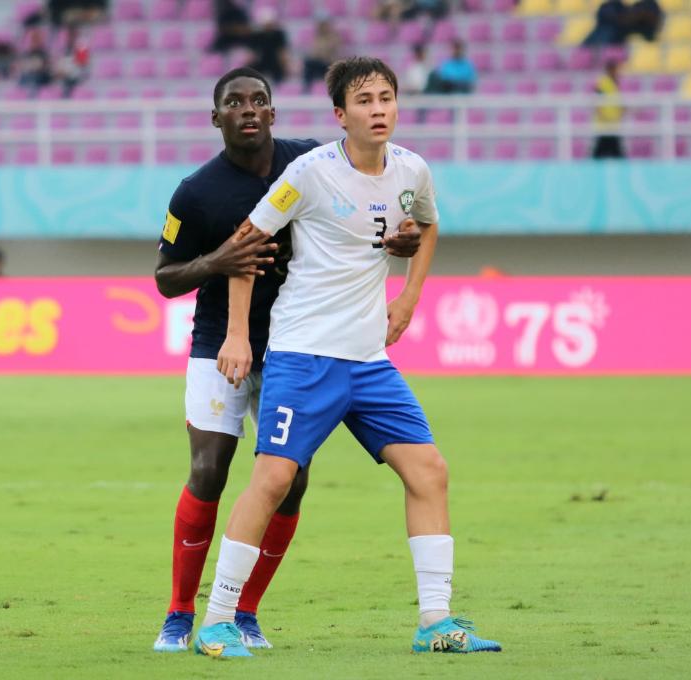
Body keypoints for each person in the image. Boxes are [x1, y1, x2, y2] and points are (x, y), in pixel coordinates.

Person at [194, 57, 500, 658]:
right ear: (341, 115)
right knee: (275, 478)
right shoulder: (308, 174)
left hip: (367, 361)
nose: (379, 108)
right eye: (365, 101)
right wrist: (236, 335)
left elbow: (428, 225)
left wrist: (409, 294)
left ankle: (435, 621)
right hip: (304, 355)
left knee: (429, 470)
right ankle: (218, 621)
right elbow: (245, 244)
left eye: (386, 97)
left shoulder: (412, 168)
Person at [151, 66, 424, 654]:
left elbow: (364, 222)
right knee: (210, 469)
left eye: (259, 100)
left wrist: (396, 241)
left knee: (290, 481)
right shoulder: (194, 192)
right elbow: (166, 278)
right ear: (216, 117)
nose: (248, 109)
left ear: (273, 113)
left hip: (298, 342)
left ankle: (245, 612)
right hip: (221, 339)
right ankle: (179, 612)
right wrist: (218, 260)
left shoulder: (312, 164)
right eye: (234, 102)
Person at [246, 7, 290, 84]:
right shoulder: (257, 35)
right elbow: (252, 52)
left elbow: (282, 51)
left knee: (280, 74)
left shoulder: (279, 35)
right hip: (262, 60)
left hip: (275, 61)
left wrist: (285, 64)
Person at [593, 60, 626, 159]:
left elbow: (616, 103)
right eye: (615, 70)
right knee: (612, 152)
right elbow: (597, 102)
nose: (617, 72)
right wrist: (603, 116)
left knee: (602, 152)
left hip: (613, 124)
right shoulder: (603, 83)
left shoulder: (614, 84)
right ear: (610, 70)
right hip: (605, 124)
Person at [302, 18, 343, 89]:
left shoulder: (334, 37)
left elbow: (328, 51)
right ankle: (307, 87)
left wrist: (321, 52)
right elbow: (315, 52)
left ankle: (307, 87)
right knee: (308, 63)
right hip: (319, 63)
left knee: (310, 63)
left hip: (329, 64)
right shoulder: (317, 38)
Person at [17, 29, 52, 96]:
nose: (34, 42)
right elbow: (23, 66)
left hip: (41, 80)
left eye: (36, 39)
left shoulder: (44, 54)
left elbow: (43, 67)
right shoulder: (26, 54)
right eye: (33, 40)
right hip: (28, 80)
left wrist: (37, 66)